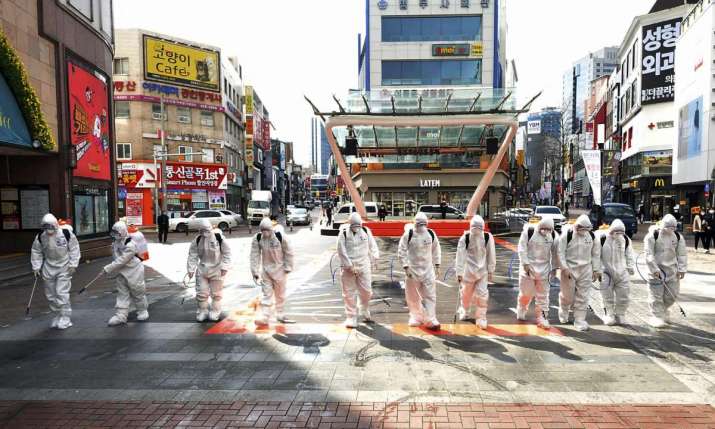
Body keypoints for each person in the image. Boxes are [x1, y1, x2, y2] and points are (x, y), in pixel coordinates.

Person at [30, 213, 81, 330]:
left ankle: (65, 317)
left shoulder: (66, 234)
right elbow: (36, 251)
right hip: (49, 266)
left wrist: (73, 264)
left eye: (51, 227)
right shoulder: (41, 237)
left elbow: (74, 248)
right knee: (51, 294)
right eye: (46, 227)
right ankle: (57, 315)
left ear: (55, 225)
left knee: (61, 292)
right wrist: (36, 266)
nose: (48, 230)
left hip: (64, 266)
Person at [398, 212, 442, 330]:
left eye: (423, 224)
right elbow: (401, 251)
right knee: (413, 295)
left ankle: (431, 319)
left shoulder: (431, 234)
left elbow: (436, 249)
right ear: (415, 224)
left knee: (430, 295)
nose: (422, 227)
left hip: (428, 270)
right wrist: (406, 267)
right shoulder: (409, 234)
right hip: (413, 271)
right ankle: (415, 316)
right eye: (419, 224)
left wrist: (437, 265)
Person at [557, 215, 601, 331]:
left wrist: (596, 270)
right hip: (569, 269)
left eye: (586, 229)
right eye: (581, 229)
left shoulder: (592, 236)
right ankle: (564, 310)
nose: (583, 232)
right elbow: (560, 253)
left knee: (583, 296)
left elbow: (596, 254)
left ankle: (580, 320)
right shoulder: (567, 235)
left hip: (586, 269)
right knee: (568, 296)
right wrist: (564, 268)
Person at [336, 212, 380, 328]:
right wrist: (350, 266)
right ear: (350, 224)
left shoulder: (366, 231)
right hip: (348, 268)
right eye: (354, 226)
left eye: (358, 225)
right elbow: (341, 250)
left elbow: (373, 246)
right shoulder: (344, 233)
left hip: (364, 265)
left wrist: (375, 258)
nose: (356, 228)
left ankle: (364, 308)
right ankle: (351, 316)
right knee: (348, 293)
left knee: (367, 291)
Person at [644, 214, 688, 328]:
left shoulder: (678, 237)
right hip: (656, 271)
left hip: (672, 271)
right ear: (663, 226)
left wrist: (682, 269)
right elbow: (648, 254)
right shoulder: (653, 236)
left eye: (673, 228)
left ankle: (664, 311)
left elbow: (682, 254)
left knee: (672, 295)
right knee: (656, 296)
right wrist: (654, 269)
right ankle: (657, 316)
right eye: (669, 227)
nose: (671, 230)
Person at [250, 217, 295, 326]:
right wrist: (255, 271)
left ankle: (280, 313)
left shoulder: (280, 237)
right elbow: (254, 255)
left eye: (267, 230)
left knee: (280, 294)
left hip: (280, 270)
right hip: (266, 271)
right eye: (263, 230)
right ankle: (265, 316)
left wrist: (288, 267)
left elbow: (289, 252)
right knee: (266, 294)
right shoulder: (258, 238)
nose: (265, 233)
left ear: (271, 229)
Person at [103, 222, 149, 326]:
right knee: (122, 293)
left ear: (122, 232)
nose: (114, 234)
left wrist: (108, 268)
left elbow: (123, 259)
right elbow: (117, 258)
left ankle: (142, 310)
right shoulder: (115, 243)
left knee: (137, 291)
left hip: (134, 270)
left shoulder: (131, 244)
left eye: (116, 232)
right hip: (122, 271)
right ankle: (121, 315)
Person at [516, 218, 559, 328]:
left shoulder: (553, 235)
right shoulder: (529, 232)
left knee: (543, 297)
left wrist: (554, 268)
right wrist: (525, 264)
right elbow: (522, 248)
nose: (546, 231)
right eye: (545, 229)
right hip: (528, 269)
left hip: (545, 270)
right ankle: (522, 308)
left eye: (549, 229)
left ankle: (542, 317)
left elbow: (555, 253)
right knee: (526, 293)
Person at [455, 215, 496, 329]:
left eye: (479, 229)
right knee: (466, 294)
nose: (477, 232)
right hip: (468, 271)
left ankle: (481, 317)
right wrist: (459, 272)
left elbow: (491, 254)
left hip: (482, 272)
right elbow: (460, 256)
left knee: (482, 295)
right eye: (475, 229)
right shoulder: (465, 237)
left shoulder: (488, 237)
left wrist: (491, 270)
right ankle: (465, 309)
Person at [187, 219, 232, 322]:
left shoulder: (219, 238)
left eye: (206, 230)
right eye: (202, 230)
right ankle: (203, 311)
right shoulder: (198, 240)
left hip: (217, 269)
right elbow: (192, 255)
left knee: (216, 293)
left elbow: (227, 253)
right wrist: (191, 269)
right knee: (201, 292)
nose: (204, 233)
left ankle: (215, 311)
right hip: (202, 269)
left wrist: (225, 267)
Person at [597, 219, 635, 326]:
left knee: (624, 294)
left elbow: (629, 254)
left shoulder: (626, 240)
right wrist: (598, 269)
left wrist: (630, 266)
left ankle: (620, 314)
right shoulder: (603, 239)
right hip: (606, 272)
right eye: (616, 232)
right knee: (607, 295)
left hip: (622, 272)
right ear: (611, 230)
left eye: (621, 232)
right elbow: (597, 255)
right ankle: (609, 314)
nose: (618, 234)